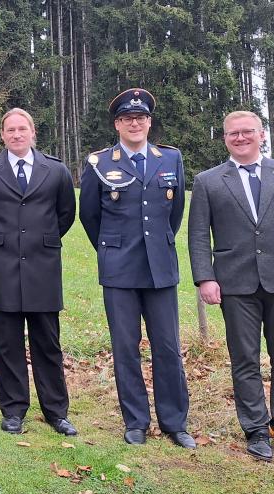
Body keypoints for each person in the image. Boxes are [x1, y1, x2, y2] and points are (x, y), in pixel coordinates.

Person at [187, 111, 274, 462]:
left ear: (261, 134)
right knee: (245, 360)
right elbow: (197, 237)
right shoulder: (208, 181)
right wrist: (205, 277)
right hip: (235, 284)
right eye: (232, 133)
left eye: (247, 131)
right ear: (224, 138)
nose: (240, 138)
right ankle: (255, 430)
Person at [79, 88, 196, 449]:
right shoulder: (100, 163)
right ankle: (135, 422)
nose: (135, 123)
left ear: (149, 122)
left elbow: (173, 217)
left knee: (167, 347)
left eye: (141, 118)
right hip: (119, 269)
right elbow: (90, 217)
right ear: (117, 124)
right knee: (126, 348)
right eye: (128, 118)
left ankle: (175, 422)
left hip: (160, 269)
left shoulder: (170, 159)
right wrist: (114, 249)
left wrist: (155, 244)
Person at [0, 108, 77, 436]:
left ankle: (56, 412)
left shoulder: (56, 171)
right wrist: (2, 243)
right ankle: (13, 410)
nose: (16, 135)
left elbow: (66, 214)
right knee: (6, 343)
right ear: (2, 135)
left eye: (22, 129)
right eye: (10, 130)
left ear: (33, 132)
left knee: (48, 343)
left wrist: (40, 241)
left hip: (43, 266)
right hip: (2, 266)